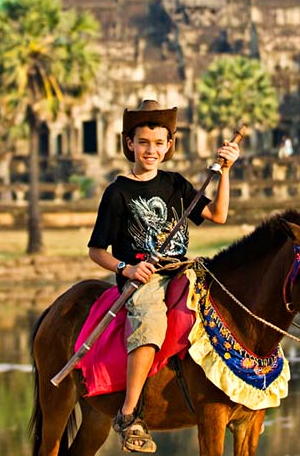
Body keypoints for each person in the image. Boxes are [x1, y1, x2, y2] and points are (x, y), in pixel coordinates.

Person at [88, 99, 240, 453]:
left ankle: (237, 393)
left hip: (183, 269)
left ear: (169, 145)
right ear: (130, 144)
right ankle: (128, 414)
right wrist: (127, 268)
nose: (150, 150)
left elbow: (218, 215)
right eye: (143, 143)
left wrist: (227, 171)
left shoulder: (176, 184)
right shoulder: (118, 192)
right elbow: (96, 251)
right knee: (151, 321)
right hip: (144, 277)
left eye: (158, 143)